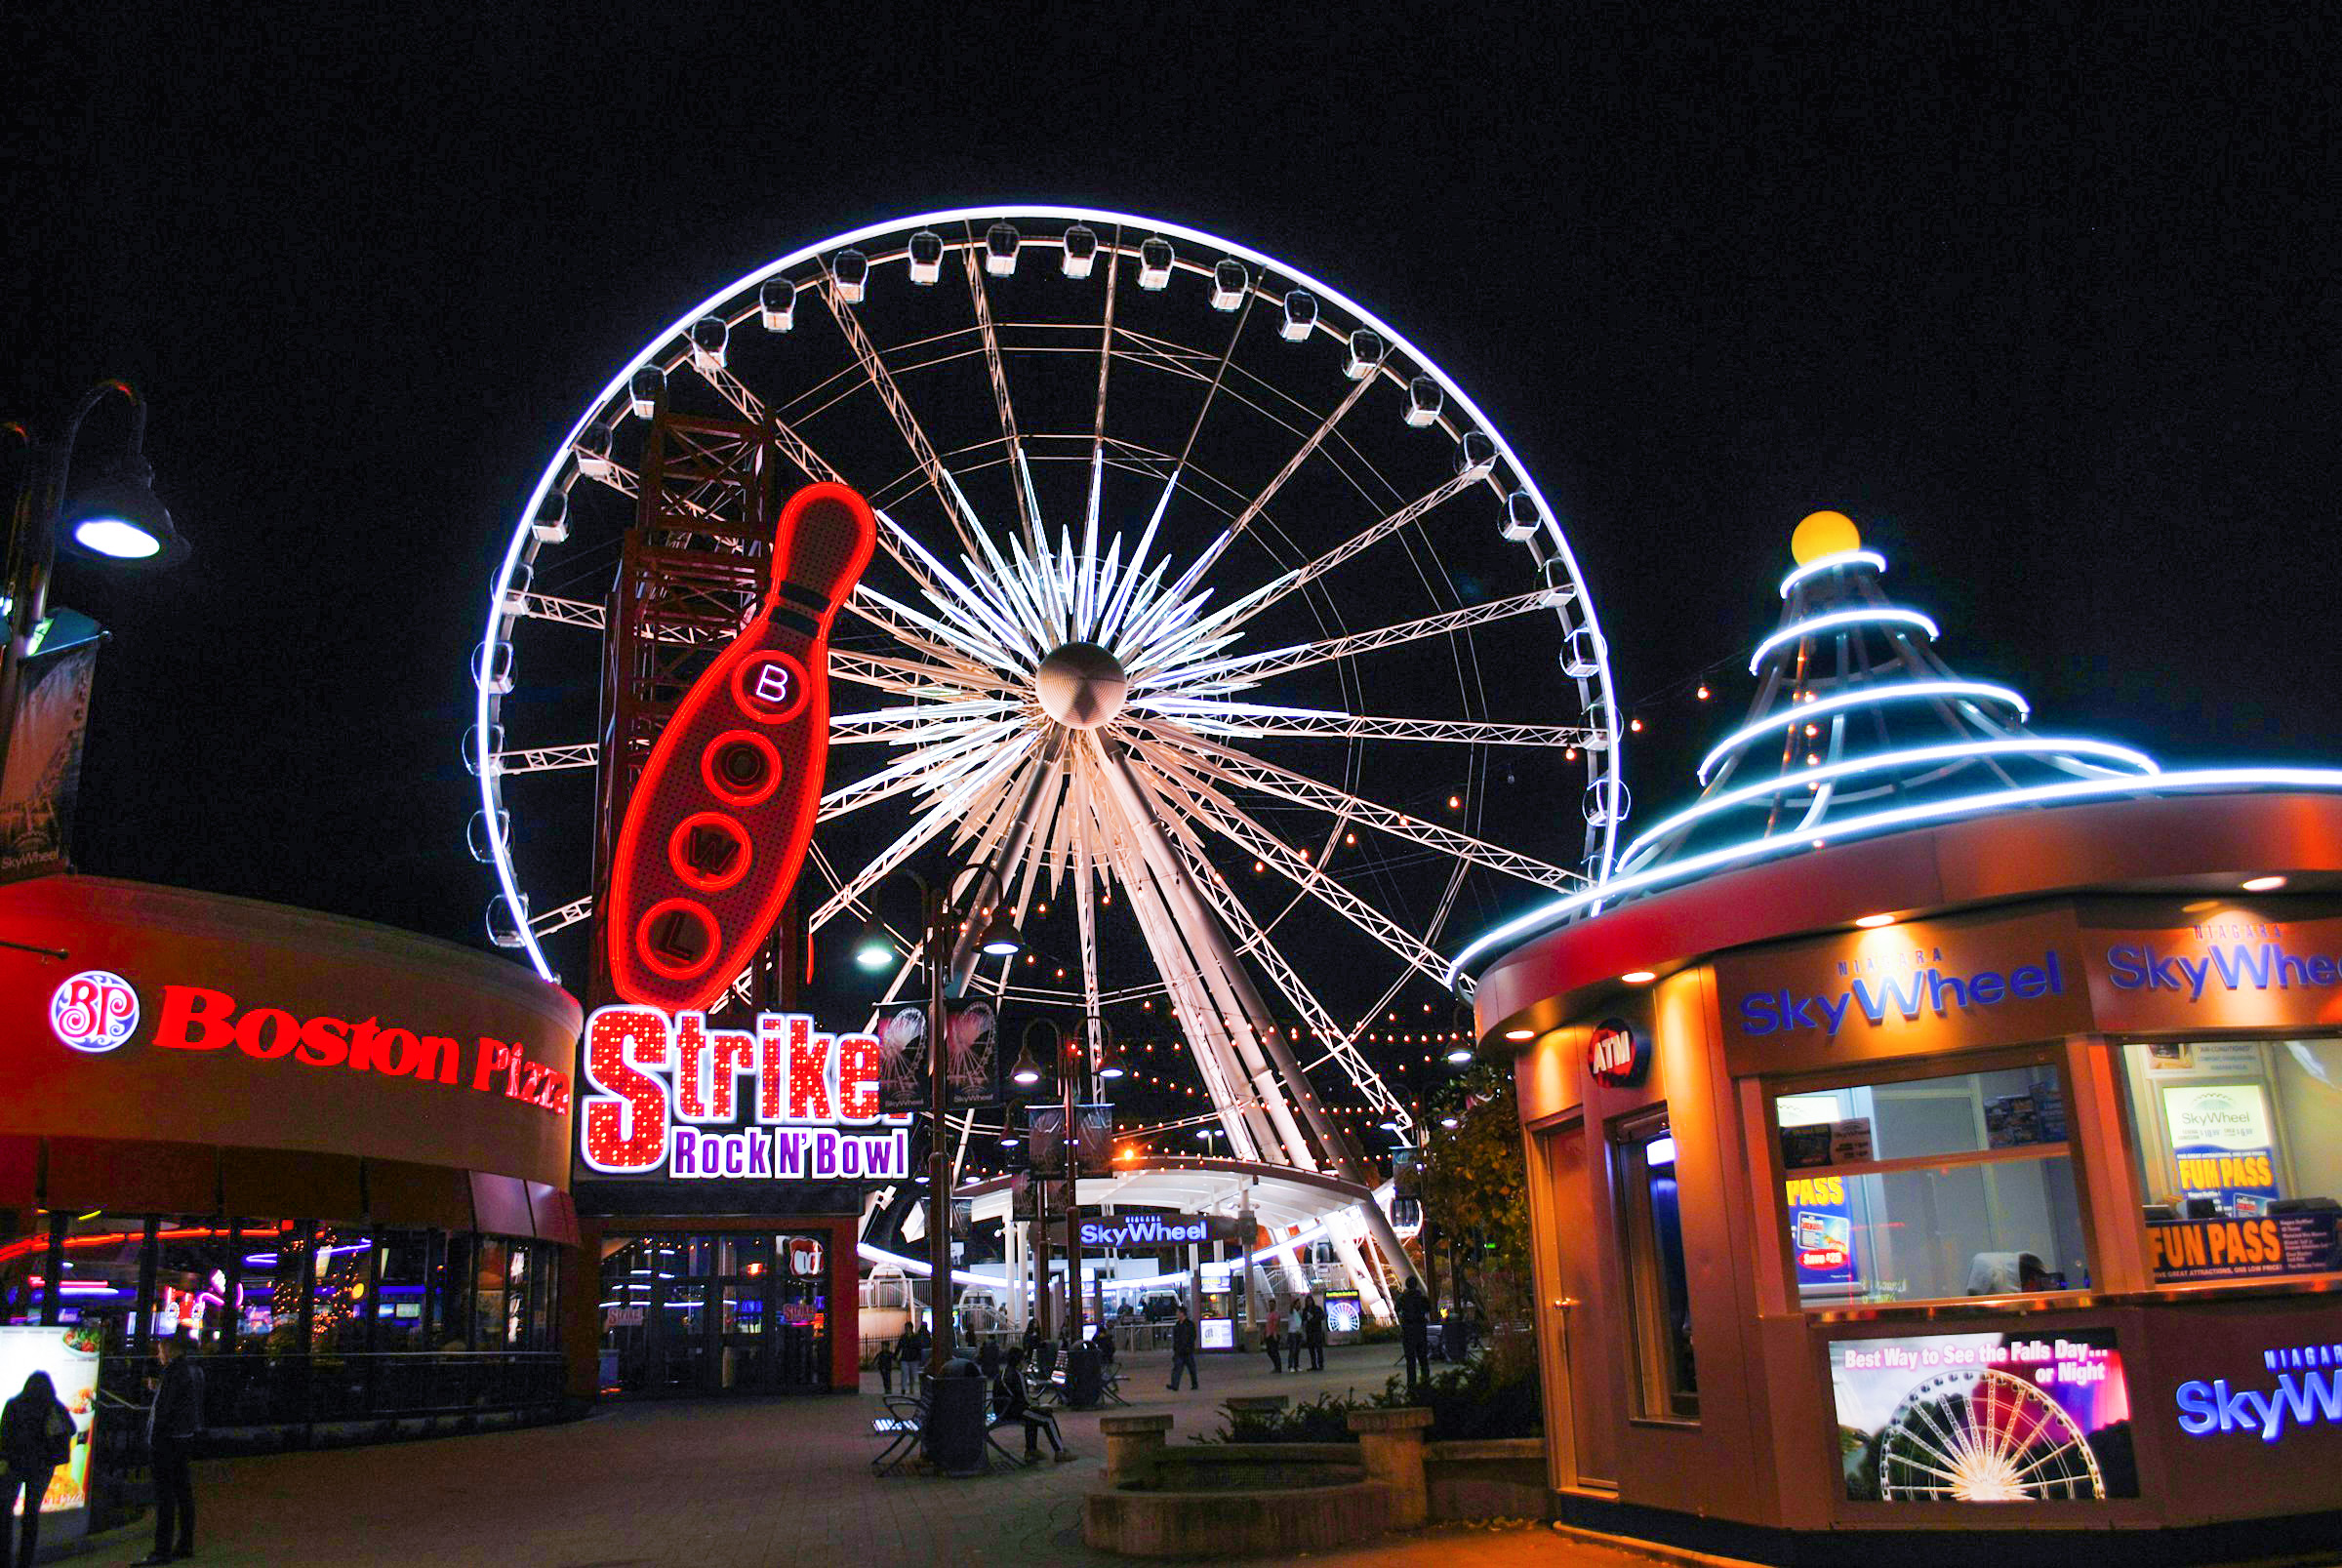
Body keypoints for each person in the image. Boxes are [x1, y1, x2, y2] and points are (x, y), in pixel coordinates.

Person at [136, 1333, 202, 1567]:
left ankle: (162, 1550)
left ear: (171, 1350)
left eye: (161, 1350)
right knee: (182, 1492)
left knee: (165, 1496)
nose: (158, 1355)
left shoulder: (175, 1372)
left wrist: (155, 1437)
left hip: (168, 1442)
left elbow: (166, 1409)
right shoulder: (187, 1371)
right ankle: (184, 1544)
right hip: (181, 1438)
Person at [2, 1371, 73, 1568]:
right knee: (31, 1515)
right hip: (42, 1468)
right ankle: (25, 1561)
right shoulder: (53, 1406)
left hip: (15, 1466)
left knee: (5, 1512)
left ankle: (4, 1558)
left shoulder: (14, 1404)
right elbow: (72, 1428)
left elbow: (4, 1437)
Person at [991, 1350, 1070, 1463]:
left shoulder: (1003, 1373)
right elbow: (1025, 1399)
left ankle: (1031, 1450)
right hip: (1014, 1411)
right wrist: (1037, 1405)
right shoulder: (1017, 1375)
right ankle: (1060, 1451)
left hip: (1002, 1410)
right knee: (1047, 1419)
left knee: (1033, 1417)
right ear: (1019, 1361)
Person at [1397, 1278, 1433, 1392]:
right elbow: (1428, 1308)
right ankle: (1425, 1383)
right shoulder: (1421, 1298)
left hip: (1408, 1331)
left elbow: (1396, 1308)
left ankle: (1411, 1386)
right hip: (1420, 1331)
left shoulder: (1403, 1298)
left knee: (1410, 1361)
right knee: (1423, 1359)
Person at [1167, 1307, 1199, 1390]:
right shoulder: (1178, 1324)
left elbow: (1192, 1336)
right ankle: (1175, 1385)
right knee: (1177, 1368)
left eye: (1177, 1312)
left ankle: (1194, 1384)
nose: (1176, 1314)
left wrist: (1188, 1346)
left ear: (1182, 1313)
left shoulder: (1189, 1324)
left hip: (1187, 1350)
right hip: (1179, 1350)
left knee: (1191, 1368)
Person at [1303, 1295, 1327, 1371]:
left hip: (1316, 1332)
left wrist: (1314, 1320)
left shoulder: (1317, 1308)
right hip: (1310, 1332)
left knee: (1318, 1349)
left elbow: (1322, 1316)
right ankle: (1314, 1365)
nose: (1309, 1302)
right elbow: (1303, 1320)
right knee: (1311, 1350)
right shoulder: (1305, 1310)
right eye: (1307, 1301)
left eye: (1310, 1301)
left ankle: (1320, 1364)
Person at [1263, 1300, 1284, 1373]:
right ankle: (1276, 1366)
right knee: (1270, 1351)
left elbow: (1276, 1325)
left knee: (1274, 1351)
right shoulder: (1268, 1314)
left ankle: (1278, 1367)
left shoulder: (1276, 1314)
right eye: (1270, 1304)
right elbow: (1267, 1325)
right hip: (1268, 1335)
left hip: (1274, 1335)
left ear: (1275, 1305)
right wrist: (1265, 1333)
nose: (1271, 1306)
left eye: (1272, 1304)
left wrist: (1275, 1333)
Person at [1284, 1298, 1305, 1373]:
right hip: (1292, 1332)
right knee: (1292, 1350)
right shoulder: (1292, 1312)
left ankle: (1296, 1365)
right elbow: (1291, 1307)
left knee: (1297, 1350)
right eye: (1298, 1303)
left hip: (1298, 1332)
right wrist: (1293, 1301)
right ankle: (1291, 1366)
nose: (1299, 1305)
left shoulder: (1300, 1312)